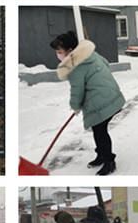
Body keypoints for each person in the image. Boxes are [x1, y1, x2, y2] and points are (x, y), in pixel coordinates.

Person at [51, 30, 125, 176]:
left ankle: (109, 161)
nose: (58, 54)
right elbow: (105, 63)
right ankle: (102, 155)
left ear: (70, 50)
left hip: (101, 101)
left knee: (100, 132)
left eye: (59, 51)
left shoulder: (75, 66)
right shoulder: (90, 54)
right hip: (112, 94)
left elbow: (77, 90)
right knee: (98, 130)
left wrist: (75, 106)